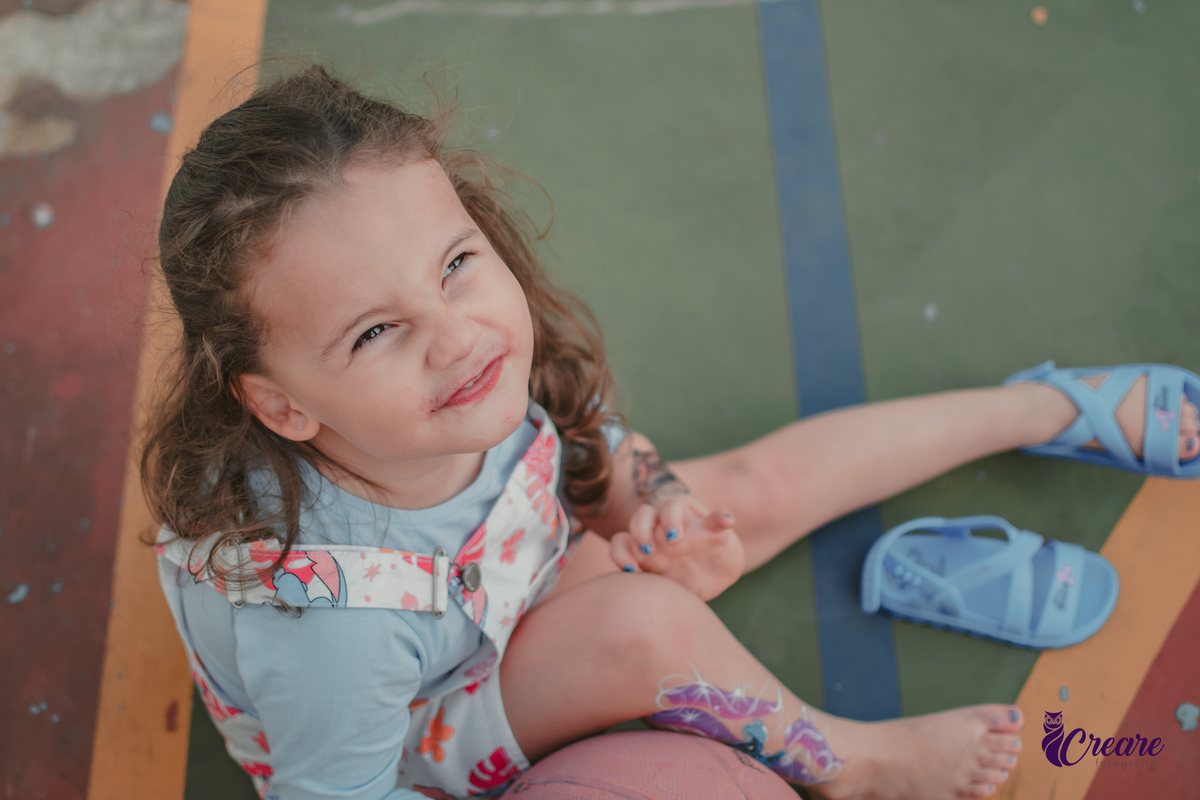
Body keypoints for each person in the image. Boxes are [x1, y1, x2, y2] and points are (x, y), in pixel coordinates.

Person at [142, 61, 1200, 800]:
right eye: (376, 329)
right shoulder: (330, 628)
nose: (456, 334)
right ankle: (852, 761)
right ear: (282, 404)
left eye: (457, 263)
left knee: (740, 494)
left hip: (514, 589)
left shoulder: (475, 375)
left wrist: (659, 505)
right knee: (644, 629)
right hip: (427, 719)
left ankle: (1044, 402)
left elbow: (599, 449)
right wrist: (616, 603)